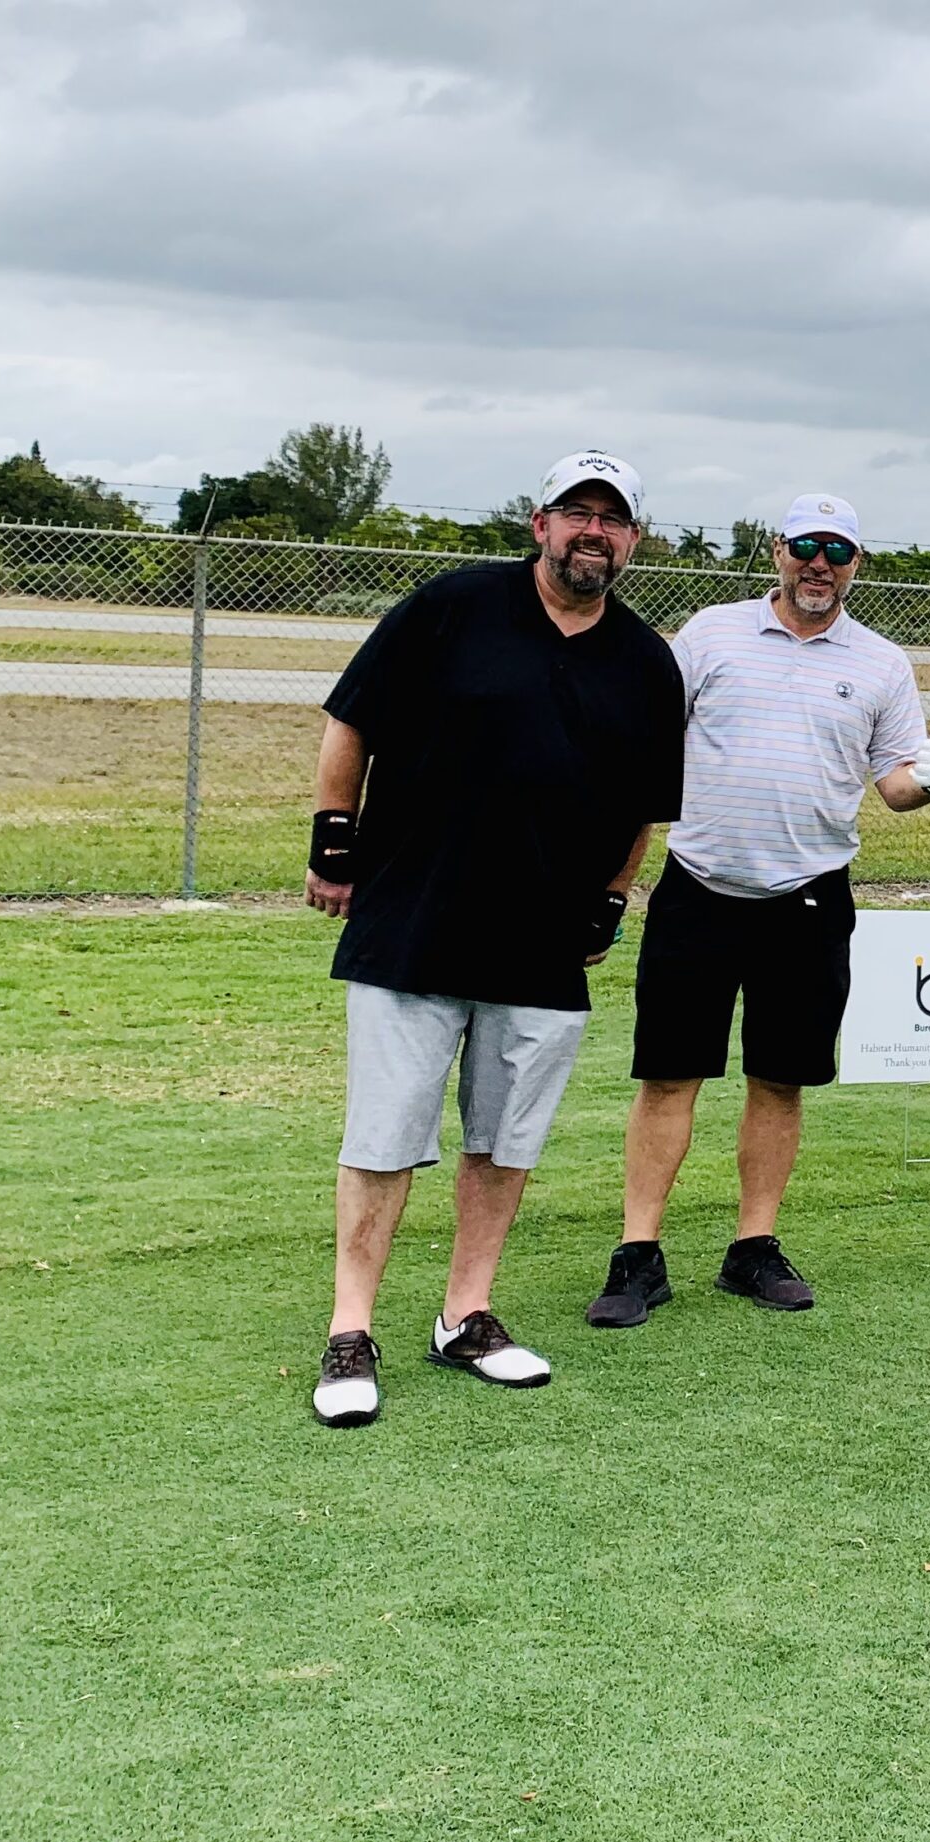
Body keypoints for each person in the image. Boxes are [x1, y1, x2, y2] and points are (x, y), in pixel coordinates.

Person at [303, 450, 684, 1428]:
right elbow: (351, 722)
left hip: (540, 944)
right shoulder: (452, 606)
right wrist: (334, 844)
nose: (593, 531)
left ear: (633, 539)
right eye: (576, 512)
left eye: (612, 518)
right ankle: (351, 1330)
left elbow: (641, 806)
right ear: (539, 523)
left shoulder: (646, 662)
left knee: (504, 1140)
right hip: (414, 921)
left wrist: (611, 901)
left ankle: (464, 1314)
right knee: (385, 1134)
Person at [591, 493, 930, 1327]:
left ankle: (752, 1247)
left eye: (838, 550)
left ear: (857, 563)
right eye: (806, 546)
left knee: (780, 1078)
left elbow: (894, 784)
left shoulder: (881, 664)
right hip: (699, 886)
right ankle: (638, 1253)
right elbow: (652, 748)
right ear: (776, 551)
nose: (819, 564)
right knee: (667, 1076)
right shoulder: (711, 634)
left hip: (809, 899)